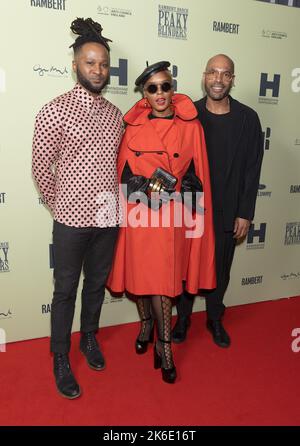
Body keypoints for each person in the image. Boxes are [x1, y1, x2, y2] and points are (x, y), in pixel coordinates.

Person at [107, 61, 216, 383]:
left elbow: (198, 171)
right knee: (141, 279)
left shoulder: (191, 127)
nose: (160, 94)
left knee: (164, 282)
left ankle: (164, 346)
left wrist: (188, 189)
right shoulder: (134, 127)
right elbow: (123, 174)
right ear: (143, 93)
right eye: (152, 88)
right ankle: (145, 325)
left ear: (173, 88)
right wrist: (144, 187)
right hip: (141, 214)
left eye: (165, 86)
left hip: (174, 216)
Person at [32, 18, 123, 399]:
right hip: (70, 221)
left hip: (108, 217)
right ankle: (59, 357)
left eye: (102, 64)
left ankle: (89, 338)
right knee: (65, 290)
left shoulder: (117, 115)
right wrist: (62, 206)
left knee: (96, 286)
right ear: (75, 65)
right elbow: (40, 167)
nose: (97, 70)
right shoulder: (54, 110)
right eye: (90, 63)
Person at [172, 54, 264, 348]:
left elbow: (252, 169)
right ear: (204, 75)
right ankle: (183, 319)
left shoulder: (248, 119)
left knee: (221, 269)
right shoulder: (188, 114)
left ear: (232, 80)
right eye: (213, 72)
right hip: (192, 210)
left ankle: (214, 318)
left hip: (228, 210)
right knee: (187, 269)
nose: (218, 79)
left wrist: (245, 213)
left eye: (226, 74)